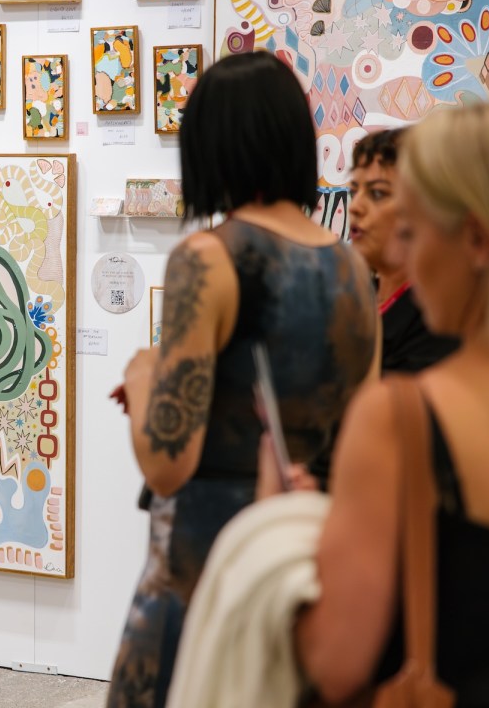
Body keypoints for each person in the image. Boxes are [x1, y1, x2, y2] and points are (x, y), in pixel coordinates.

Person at [106, 50, 378, 708]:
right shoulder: (348, 265)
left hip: (207, 556)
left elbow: (169, 463)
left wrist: (144, 377)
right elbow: (364, 434)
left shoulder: (209, 257)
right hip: (302, 545)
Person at [294, 102, 489, 706]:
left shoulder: (402, 419)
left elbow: (336, 661)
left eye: (416, 229)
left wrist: (280, 524)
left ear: (477, 241)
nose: (407, 250)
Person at [348, 128, 460, 373]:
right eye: (354, 191)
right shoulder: (355, 296)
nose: (355, 207)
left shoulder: (436, 318)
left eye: (378, 193)